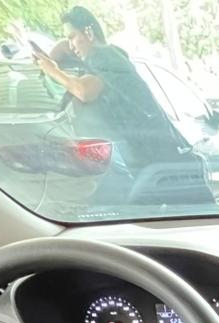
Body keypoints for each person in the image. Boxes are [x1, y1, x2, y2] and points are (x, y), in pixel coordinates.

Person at [32, 7, 187, 202]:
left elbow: (84, 91)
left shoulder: (104, 57)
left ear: (89, 32)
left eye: (72, 37)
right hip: (153, 156)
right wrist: (52, 57)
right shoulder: (109, 55)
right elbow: (65, 48)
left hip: (160, 160)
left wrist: (52, 70)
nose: (71, 45)